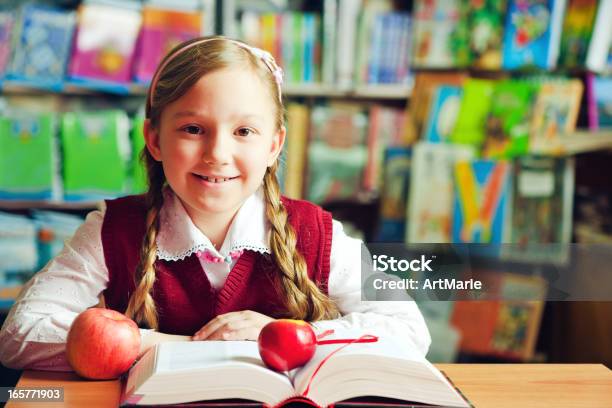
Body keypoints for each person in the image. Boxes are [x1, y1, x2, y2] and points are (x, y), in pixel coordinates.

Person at [0, 36, 430, 371]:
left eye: (244, 131)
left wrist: (287, 336)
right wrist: (176, 347)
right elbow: (19, 335)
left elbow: (408, 330)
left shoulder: (316, 233)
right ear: (154, 139)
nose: (217, 153)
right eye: (192, 128)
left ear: (274, 145)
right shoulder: (112, 230)